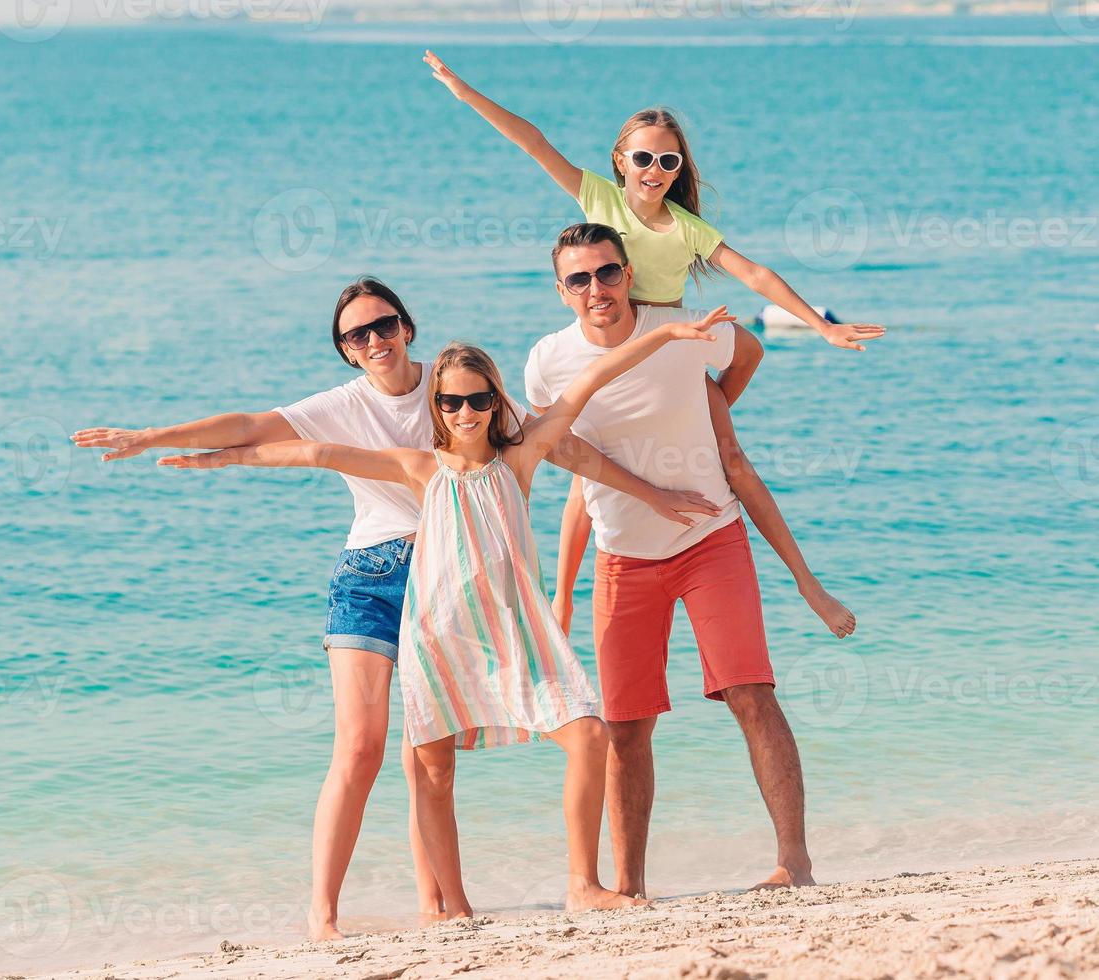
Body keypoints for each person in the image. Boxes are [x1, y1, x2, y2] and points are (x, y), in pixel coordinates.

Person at [72, 277, 718, 938]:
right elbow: (308, 450)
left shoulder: (500, 436)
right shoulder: (405, 452)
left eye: (384, 326)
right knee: (389, 756)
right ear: (349, 351)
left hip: (484, 613)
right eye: (358, 334)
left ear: (410, 328)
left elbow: (581, 398)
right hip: (402, 601)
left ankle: (519, 893)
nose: (465, 411)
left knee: (529, 743)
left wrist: (665, 335)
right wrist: (201, 453)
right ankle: (379, 912)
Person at [421, 50, 867, 639]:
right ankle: (563, 602)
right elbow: (533, 142)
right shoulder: (600, 200)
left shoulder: (686, 227)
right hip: (615, 346)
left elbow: (754, 278)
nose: (654, 169)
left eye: (668, 159)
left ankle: (809, 584)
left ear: (678, 167)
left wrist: (818, 327)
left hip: (673, 352)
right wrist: (464, 91)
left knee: (734, 465)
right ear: (620, 161)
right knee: (586, 472)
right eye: (642, 157)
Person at [525, 223, 818, 896]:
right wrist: (563, 593)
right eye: (579, 279)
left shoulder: (684, 327)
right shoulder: (547, 362)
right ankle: (628, 887)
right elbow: (576, 477)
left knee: (751, 692)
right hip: (621, 557)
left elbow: (750, 351)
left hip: (710, 537)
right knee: (626, 727)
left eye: (606, 272)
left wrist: (712, 405)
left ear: (628, 273)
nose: (596, 288)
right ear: (561, 290)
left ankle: (794, 864)